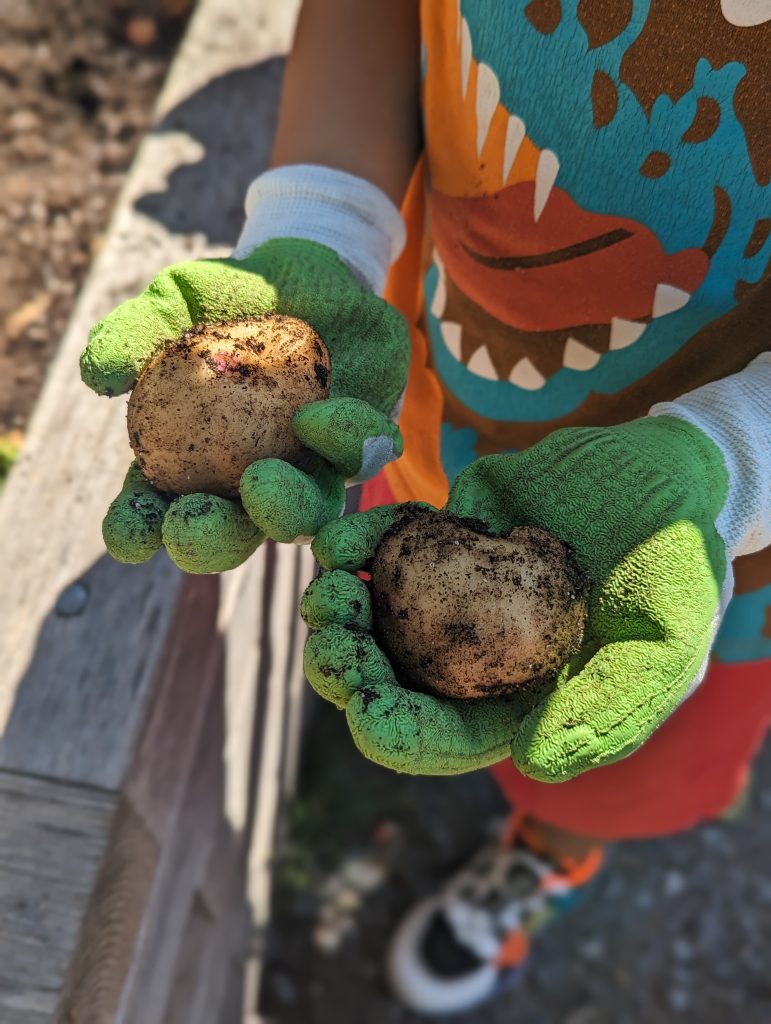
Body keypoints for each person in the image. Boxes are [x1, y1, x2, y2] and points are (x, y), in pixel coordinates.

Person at [81, 1, 770, 1016]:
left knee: (607, 742)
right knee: (418, 569)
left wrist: (732, 459)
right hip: (453, 396)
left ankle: (552, 849)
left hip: (699, 548)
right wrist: (318, 232)